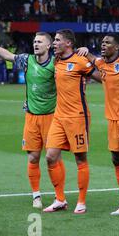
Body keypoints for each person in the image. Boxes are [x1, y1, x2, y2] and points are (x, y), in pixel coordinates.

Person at [0, 31, 58, 209]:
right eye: (34, 41)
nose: (36, 44)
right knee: (33, 157)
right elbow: (7, 55)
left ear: (48, 46)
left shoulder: (56, 63)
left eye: (40, 42)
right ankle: (36, 195)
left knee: (53, 158)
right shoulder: (26, 60)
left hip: (52, 117)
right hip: (31, 117)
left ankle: (59, 197)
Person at [78, 34, 119, 218]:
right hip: (112, 119)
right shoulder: (100, 63)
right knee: (116, 159)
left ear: (117, 47)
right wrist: (85, 52)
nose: (103, 45)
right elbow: (93, 60)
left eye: (107, 43)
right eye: (102, 43)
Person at [43, 29, 95, 214]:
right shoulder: (56, 61)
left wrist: (88, 53)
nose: (54, 43)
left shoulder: (80, 61)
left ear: (68, 43)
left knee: (80, 158)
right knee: (50, 156)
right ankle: (60, 199)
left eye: (57, 40)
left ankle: (81, 201)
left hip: (77, 116)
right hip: (59, 116)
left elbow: (100, 75)